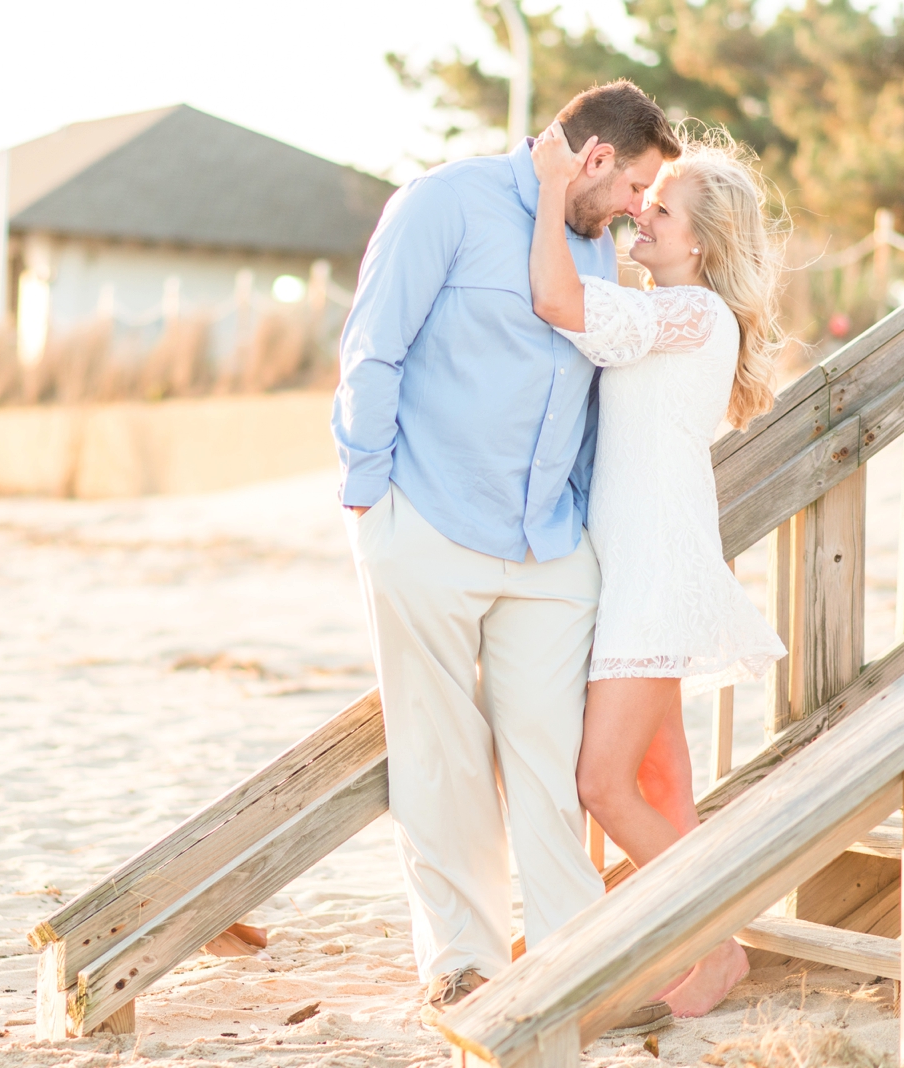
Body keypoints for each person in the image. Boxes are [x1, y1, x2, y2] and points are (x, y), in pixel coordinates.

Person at [332, 81, 679, 1030]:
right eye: (635, 187)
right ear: (596, 157)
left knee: (552, 758)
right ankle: (465, 967)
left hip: (548, 547)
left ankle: (577, 969)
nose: (636, 211)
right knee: (439, 754)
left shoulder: (599, 248)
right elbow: (373, 349)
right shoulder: (444, 203)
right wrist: (369, 499)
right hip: (426, 522)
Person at [527, 120, 789, 1017]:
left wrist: (546, 193)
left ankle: (714, 952)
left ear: (700, 242)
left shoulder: (694, 313)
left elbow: (560, 303)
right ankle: (679, 951)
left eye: (660, 208)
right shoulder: (671, 314)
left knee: (602, 781)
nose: (641, 211)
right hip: (634, 568)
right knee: (661, 783)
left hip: (655, 576)